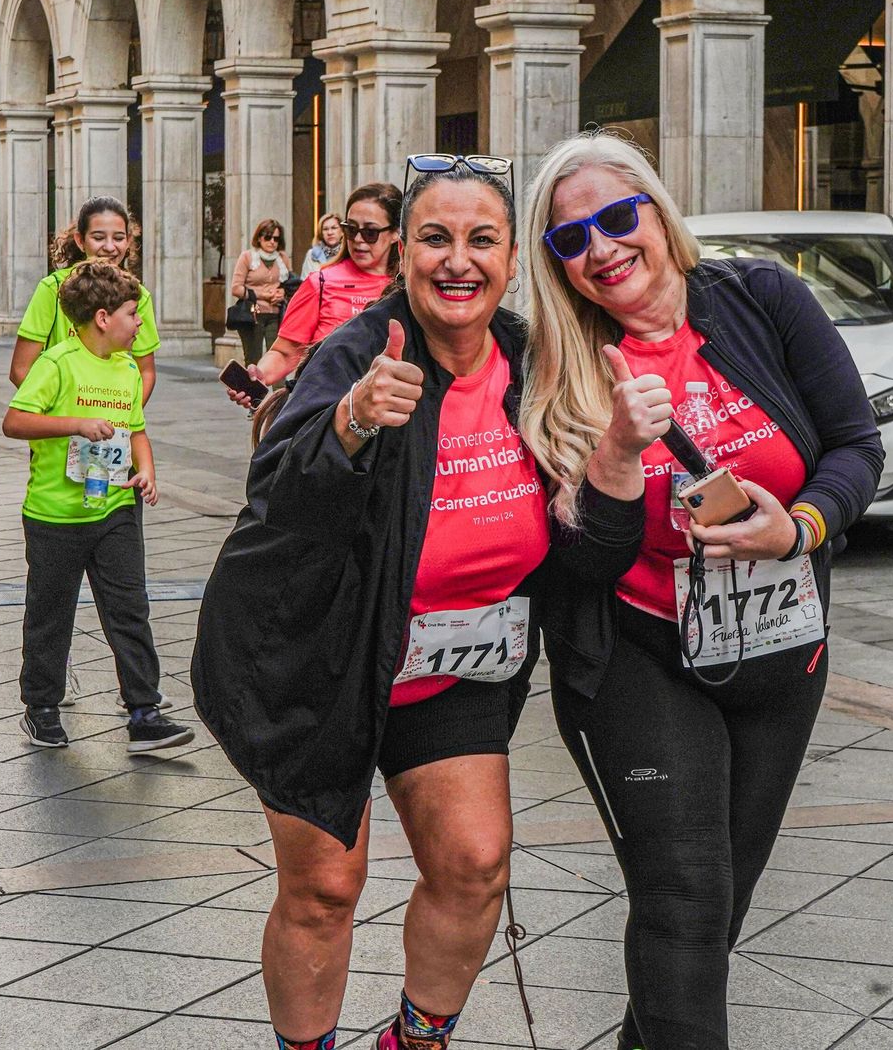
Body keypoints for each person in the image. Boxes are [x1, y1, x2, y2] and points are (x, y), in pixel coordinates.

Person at [193, 155, 650, 1050]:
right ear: (402, 254)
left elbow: (589, 539)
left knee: (476, 864)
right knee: (326, 886)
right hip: (320, 656)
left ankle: (416, 1041)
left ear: (513, 258)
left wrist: (623, 466)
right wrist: (355, 421)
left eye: (482, 240)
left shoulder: (534, 359)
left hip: (457, 662)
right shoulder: (359, 353)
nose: (458, 261)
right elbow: (279, 503)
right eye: (435, 238)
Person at [519, 131, 885, 1050]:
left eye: (614, 218)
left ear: (654, 209)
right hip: (640, 659)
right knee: (681, 899)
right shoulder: (562, 365)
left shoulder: (762, 298)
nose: (601, 249)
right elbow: (581, 568)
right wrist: (612, 453)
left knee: (716, 908)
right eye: (572, 240)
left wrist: (796, 526)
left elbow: (854, 447)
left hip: (779, 653)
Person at [2, 260, 194, 754]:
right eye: (134, 314)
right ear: (104, 317)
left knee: (130, 609)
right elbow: (15, 421)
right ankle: (41, 707)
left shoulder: (128, 368)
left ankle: (144, 712)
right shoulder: (58, 363)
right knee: (51, 612)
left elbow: (136, 430)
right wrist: (75, 424)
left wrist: (146, 470)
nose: (141, 324)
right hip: (55, 515)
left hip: (115, 508)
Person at [224, 183, 401, 405]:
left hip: (396, 417)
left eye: (370, 232)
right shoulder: (321, 282)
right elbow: (286, 352)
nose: (358, 239)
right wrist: (258, 376)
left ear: (395, 232)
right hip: (326, 412)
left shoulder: (410, 287)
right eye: (351, 229)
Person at [10, 197, 160, 406]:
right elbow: (20, 369)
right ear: (80, 240)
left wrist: (123, 417)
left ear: (128, 241)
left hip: (111, 428)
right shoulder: (52, 288)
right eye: (98, 237)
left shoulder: (138, 296)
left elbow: (146, 371)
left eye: (118, 238)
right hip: (60, 429)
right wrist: (59, 414)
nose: (109, 247)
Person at [231, 218, 293, 364]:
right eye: (268, 237)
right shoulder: (247, 257)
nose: (272, 241)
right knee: (253, 361)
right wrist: (260, 295)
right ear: (259, 238)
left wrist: (282, 293)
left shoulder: (283, 258)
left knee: (277, 359)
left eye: (276, 238)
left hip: (276, 315)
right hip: (253, 315)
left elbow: (291, 284)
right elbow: (236, 288)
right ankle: (250, 388)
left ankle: (279, 388)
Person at [300, 212, 343, 276]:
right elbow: (305, 282)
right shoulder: (312, 255)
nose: (330, 233)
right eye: (325, 229)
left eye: (334, 228)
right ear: (321, 234)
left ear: (342, 232)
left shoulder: (349, 254)